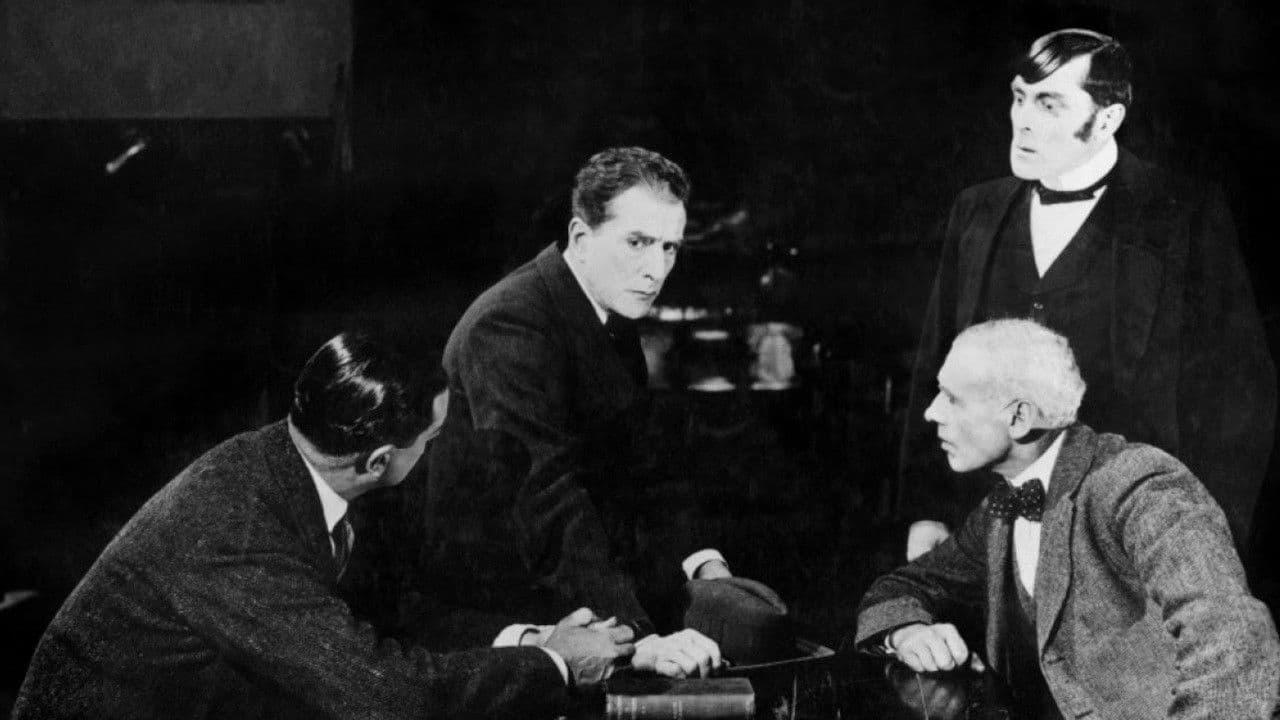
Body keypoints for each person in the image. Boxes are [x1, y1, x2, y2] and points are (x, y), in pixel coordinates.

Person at [12, 332, 633, 720]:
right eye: (432, 439)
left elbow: (385, 616)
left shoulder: (294, 464)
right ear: (379, 461)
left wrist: (528, 640)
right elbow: (383, 695)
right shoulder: (237, 527)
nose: (435, 454)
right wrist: (554, 666)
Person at [899, 28, 1275, 560]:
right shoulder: (977, 212)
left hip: (1126, 546)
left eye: (1049, 104)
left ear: (1106, 119)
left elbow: (1239, 399)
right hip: (982, 533)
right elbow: (934, 368)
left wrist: (1198, 544)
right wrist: (925, 510)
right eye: (1020, 97)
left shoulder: (1182, 217)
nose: (1023, 120)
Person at [857, 319, 1280, 719]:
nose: (931, 413)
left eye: (952, 398)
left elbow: (1236, 640)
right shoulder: (998, 510)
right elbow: (901, 586)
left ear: (1019, 417)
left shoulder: (1136, 483)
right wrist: (908, 633)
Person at [414, 147, 730, 678]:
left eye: (669, 248)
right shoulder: (509, 324)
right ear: (581, 239)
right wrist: (637, 638)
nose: (656, 270)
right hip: (498, 612)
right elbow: (546, 498)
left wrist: (703, 562)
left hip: (579, 582)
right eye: (637, 243)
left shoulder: (608, 309)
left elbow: (642, 467)